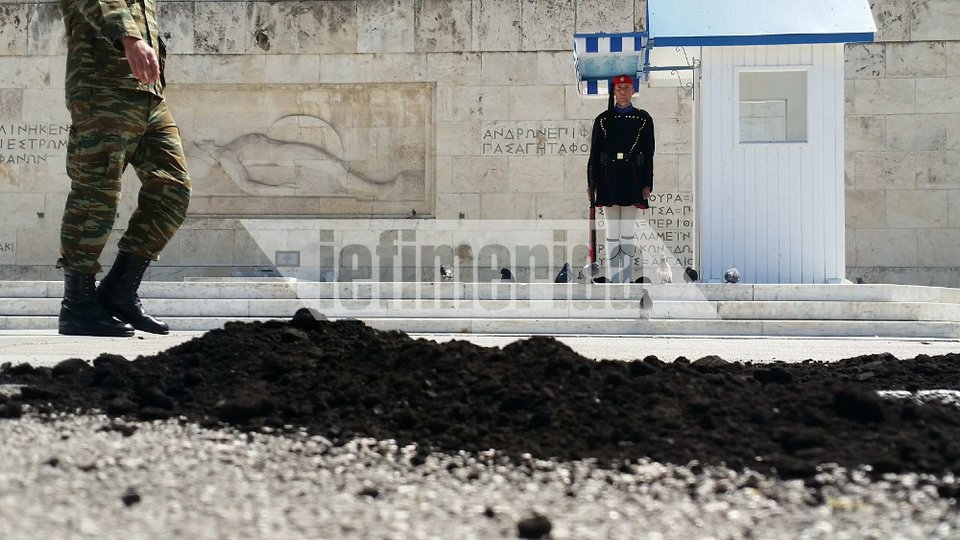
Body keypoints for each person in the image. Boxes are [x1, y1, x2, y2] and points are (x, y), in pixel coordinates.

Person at [57, 0, 192, 336]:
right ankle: (77, 303)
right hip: (101, 90)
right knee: (96, 195)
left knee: (173, 188)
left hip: (149, 97)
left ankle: (120, 288)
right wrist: (131, 40)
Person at [586, 74, 655, 283]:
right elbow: (594, 153)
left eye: (626, 87)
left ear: (633, 90)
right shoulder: (603, 120)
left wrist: (647, 183)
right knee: (611, 232)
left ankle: (625, 277)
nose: (622, 92)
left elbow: (649, 153)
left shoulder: (643, 119)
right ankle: (615, 277)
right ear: (613, 92)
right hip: (609, 180)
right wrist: (591, 183)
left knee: (627, 233)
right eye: (619, 88)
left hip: (632, 178)